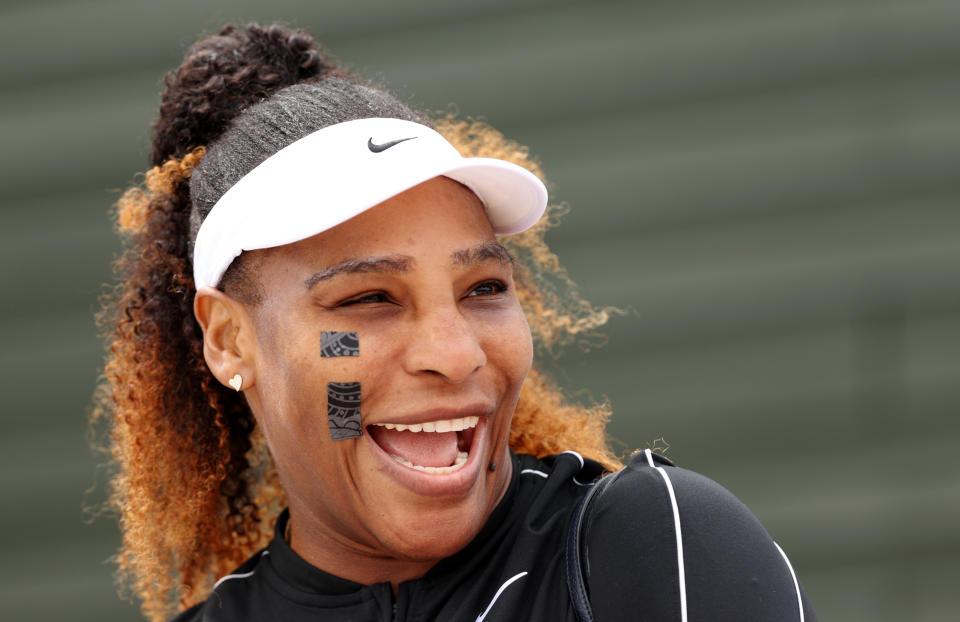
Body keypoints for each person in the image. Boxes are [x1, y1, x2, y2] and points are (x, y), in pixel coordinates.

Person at [94, 23, 817, 622]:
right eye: (368, 299)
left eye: (482, 288)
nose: (454, 352)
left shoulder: (647, 550)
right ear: (229, 339)